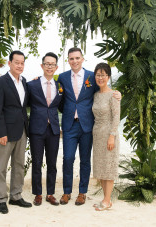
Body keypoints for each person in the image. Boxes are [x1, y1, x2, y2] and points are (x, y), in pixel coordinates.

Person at [57, 47, 121, 206]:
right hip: (69, 125)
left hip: (87, 126)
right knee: (68, 158)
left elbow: (104, 89)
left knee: (85, 160)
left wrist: (118, 94)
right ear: (68, 60)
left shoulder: (92, 77)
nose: (75, 61)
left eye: (77, 58)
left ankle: (82, 193)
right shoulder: (63, 77)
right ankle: (66, 192)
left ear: (82, 59)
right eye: (71, 59)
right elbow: (60, 100)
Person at [0, 50, 32, 214]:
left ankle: (15, 196)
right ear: (10, 63)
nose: (20, 65)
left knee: (19, 165)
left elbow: (24, 105)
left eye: (22, 63)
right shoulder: (0, 82)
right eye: (17, 62)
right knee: (1, 167)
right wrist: (1, 132)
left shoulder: (24, 82)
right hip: (5, 132)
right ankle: (1, 199)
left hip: (22, 130)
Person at [27, 52, 63, 206]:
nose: (50, 66)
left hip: (54, 129)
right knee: (36, 162)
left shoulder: (60, 86)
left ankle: (50, 193)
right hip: (36, 129)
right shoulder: (32, 85)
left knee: (52, 163)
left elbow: (61, 106)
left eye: (52, 64)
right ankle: (38, 194)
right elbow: (24, 104)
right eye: (47, 64)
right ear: (42, 66)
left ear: (56, 67)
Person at [91, 62, 121, 211]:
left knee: (108, 168)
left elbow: (116, 117)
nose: (100, 78)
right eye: (98, 75)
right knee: (101, 168)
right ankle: (106, 199)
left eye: (103, 75)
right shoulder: (96, 95)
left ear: (108, 77)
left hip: (109, 133)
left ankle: (107, 200)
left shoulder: (114, 95)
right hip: (97, 135)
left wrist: (112, 136)